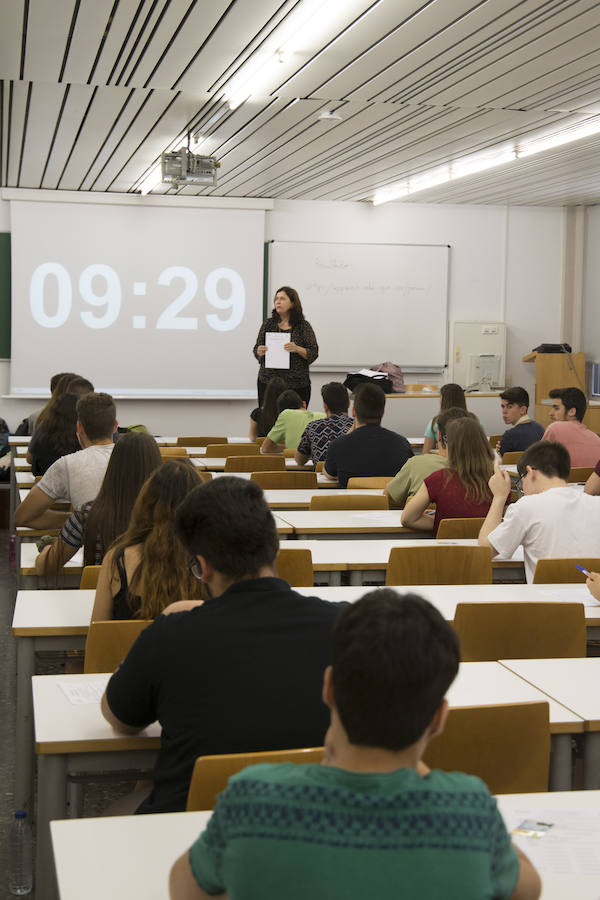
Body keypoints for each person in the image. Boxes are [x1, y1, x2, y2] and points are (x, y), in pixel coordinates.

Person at [170, 589, 541, 900]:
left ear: (329, 688)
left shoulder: (252, 799)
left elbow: (183, 888)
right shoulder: (468, 809)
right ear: (438, 719)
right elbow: (528, 887)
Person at [100, 476, 342, 814]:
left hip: (193, 832)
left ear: (202, 567)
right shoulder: (347, 627)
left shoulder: (172, 634)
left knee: (105, 820)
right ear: (274, 547)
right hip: (313, 826)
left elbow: (120, 717)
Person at [92, 458, 205, 621]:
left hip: (128, 647)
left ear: (146, 504)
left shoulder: (117, 560)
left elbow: (99, 635)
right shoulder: (214, 561)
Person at [34, 432, 162, 575]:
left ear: (113, 466)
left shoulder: (88, 514)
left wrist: (47, 549)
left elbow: (45, 567)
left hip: (98, 595)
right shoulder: (170, 516)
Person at [478, 440, 600, 583]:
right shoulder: (596, 504)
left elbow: (484, 551)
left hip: (546, 603)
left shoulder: (526, 507)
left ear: (530, 472)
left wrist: (499, 497)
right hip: (593, 600)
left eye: (521, 480)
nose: (522, 486)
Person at [14, 392, 117, 531]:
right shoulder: (136, 458)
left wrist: (80, 519)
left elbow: (22, 517)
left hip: (88, 549)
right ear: (115, 426)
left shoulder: (67, 465)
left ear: (79, 427)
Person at [402, 416, 494, 535]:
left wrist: (443, 521)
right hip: (486, 552)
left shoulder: (439, 479)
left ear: (451, 445)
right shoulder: (498, 480)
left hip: (446, 551)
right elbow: (504, 521)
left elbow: (407, 519)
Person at [324, 383, 413, 487]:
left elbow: (329, 475)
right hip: (388, 503)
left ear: (353, 412)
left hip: (350, 503)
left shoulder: (337, 446)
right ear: (383, 412)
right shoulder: (402, 444)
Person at [385, 407, 469, 508]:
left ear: (438, 435)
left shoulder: (416, 464)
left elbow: (388, 497)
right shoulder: (483, 470)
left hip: (417, 520)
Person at [253, 286, 318, 406]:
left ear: (293, 303)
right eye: (276, 298)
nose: (278, 301)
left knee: (295, 421)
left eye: (282, 298)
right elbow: (256, 348)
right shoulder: (268, 323)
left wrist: (297, 348)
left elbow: (313, 353)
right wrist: (259, 351)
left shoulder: (303, 326)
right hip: (268, 383)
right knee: (268, 420)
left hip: (297, 386)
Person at [295, 381, 353, 465]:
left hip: (321, 476)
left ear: (325, 406)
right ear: (348, 404)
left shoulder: (313, 427)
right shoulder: (358, 427)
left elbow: (300, 460)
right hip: (352, 477)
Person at [542, 387, 600, 466]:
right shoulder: (596, 439)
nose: (550, 413)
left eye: (556, 408)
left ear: (572, 411)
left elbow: (535, 464)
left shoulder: (555, 428)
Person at [27, 392, 80, 476]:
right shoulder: (82, 435)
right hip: (74, 482)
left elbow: (29, 460)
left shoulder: (43, 428)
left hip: (43, 482)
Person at [260, 389, 324, 453]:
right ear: (304, 404)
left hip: (296, 461)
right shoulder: (323, 416)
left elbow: (266, 448)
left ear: (280, 412)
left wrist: (290, 448)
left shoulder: (285, 414)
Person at [497, 387, 545, 456]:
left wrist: (498, 451)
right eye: (503, 406)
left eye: (509, 407)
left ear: (522, 410)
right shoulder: (539, 427)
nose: (504, 411)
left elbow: (502, 461)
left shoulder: (509, 435)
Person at [422, 383, 467, 454]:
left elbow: (425, 453)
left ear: (443, 400)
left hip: (442, 463)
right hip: (469, 463)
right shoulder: (475, 420)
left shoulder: (435, 422)